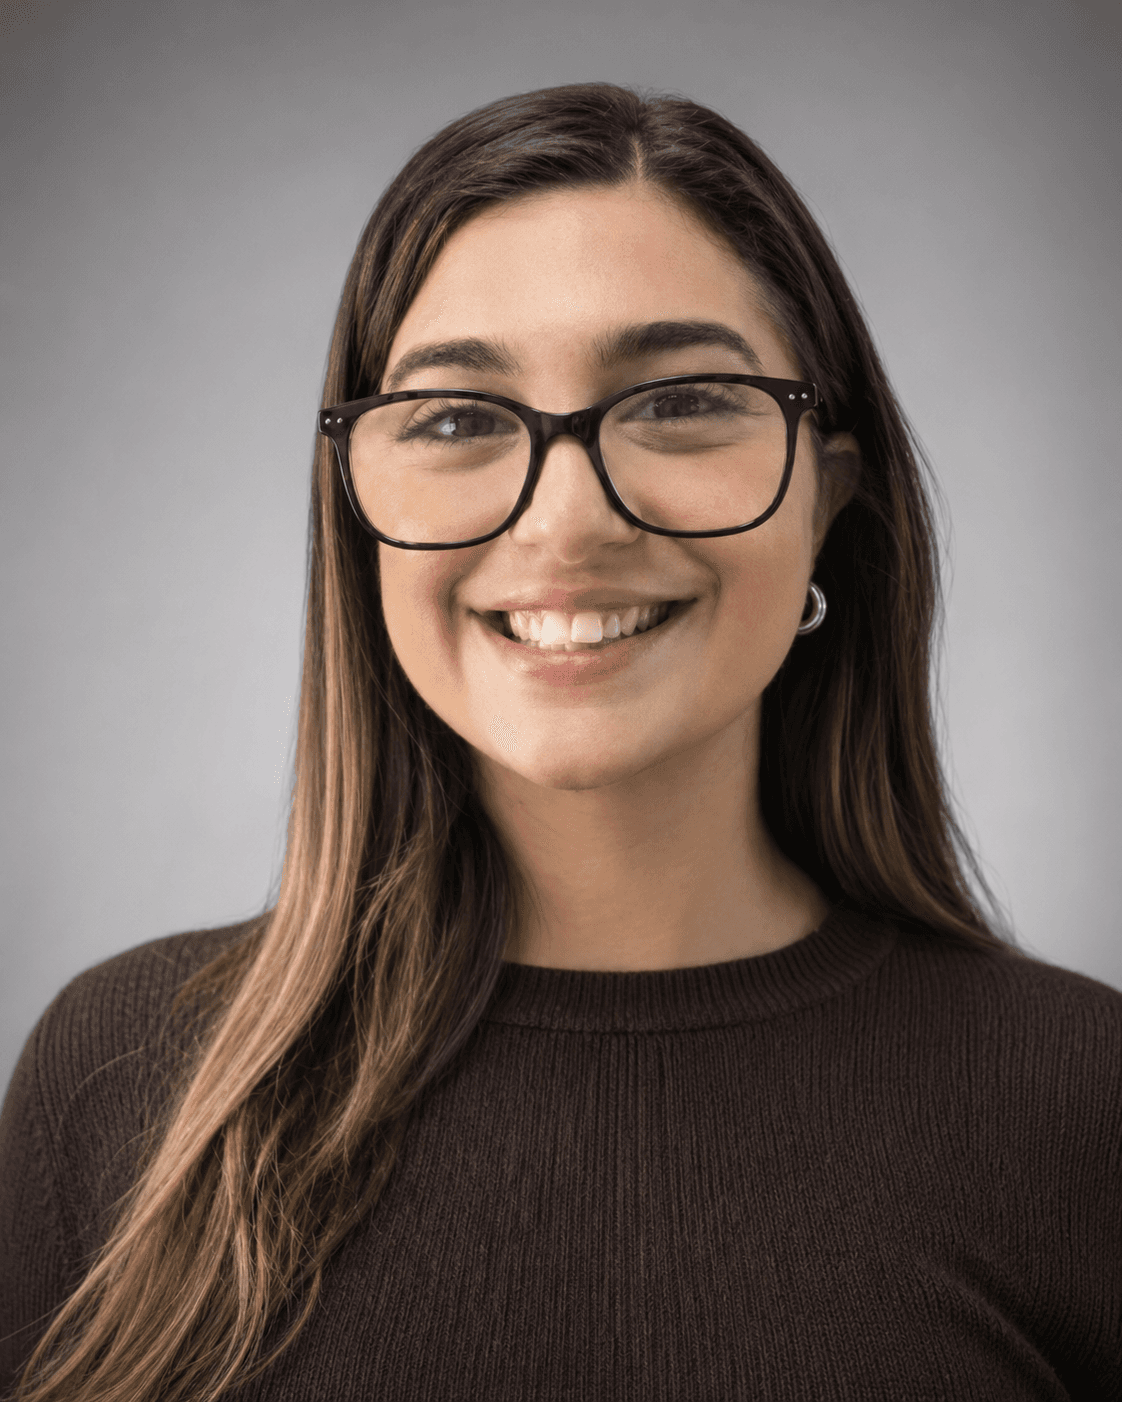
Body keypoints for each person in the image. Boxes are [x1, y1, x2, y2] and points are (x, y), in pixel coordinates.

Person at [1, 82, 1118, 1402]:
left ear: (825, 496)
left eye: (682, 401)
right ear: (357, 507)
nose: (566, 523)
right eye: (459, 420)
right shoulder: (120, 1077)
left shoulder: (1079, 1102)